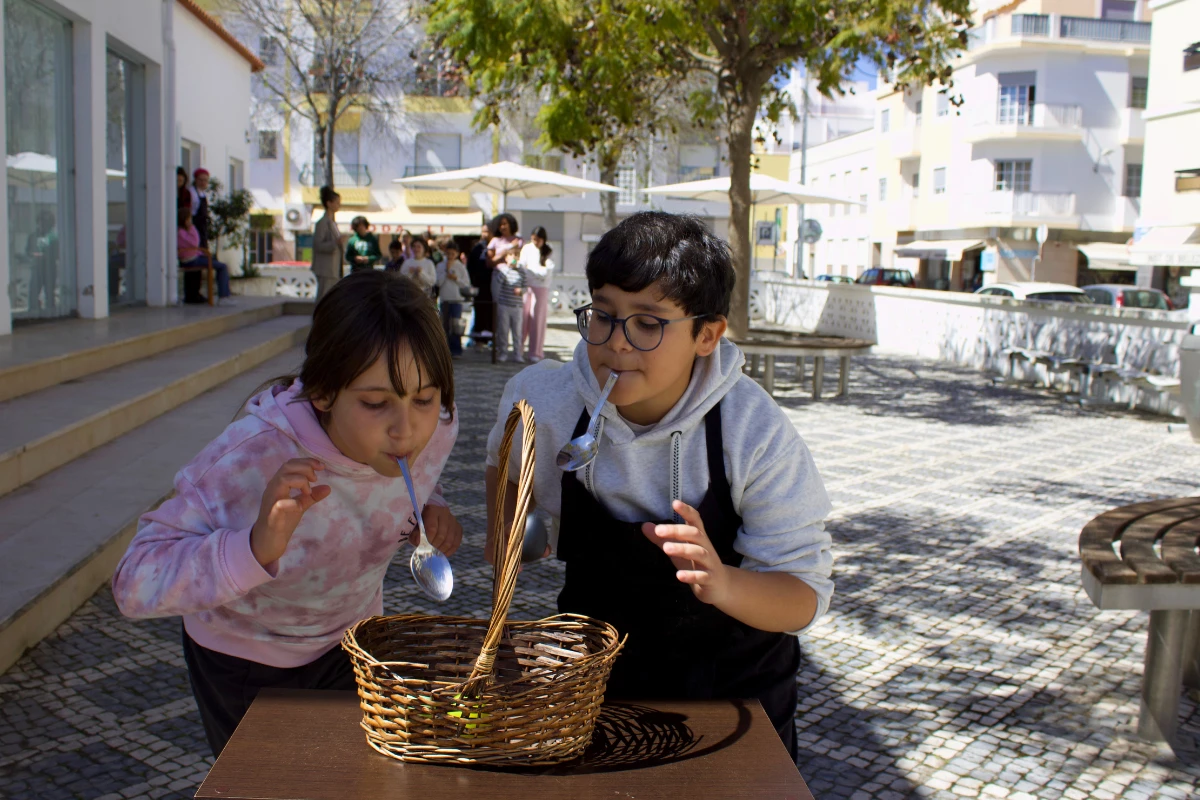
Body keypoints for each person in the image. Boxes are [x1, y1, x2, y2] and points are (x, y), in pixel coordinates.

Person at [484, 212, 833, 760]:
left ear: (707, 335)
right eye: (603, 314)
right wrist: (509, 530)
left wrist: (721, 583)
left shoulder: (752, 431)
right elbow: (502, 467)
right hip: (594, 687)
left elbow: (803, 597)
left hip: (735, 694)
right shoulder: (542, 402)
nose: (614, 343)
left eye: (648, 323)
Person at [112, 271, 464, 758]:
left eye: (423, 399)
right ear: (321, 392)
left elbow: (420, 468)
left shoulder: (438, 426)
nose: (406, 430)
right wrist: (254, 546)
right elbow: (133, 582)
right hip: (245, 659)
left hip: (352, 642)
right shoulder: (250, 457)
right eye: (375, 403)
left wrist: (429, 506)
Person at [178, 206, 234, 305]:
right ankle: (223, 296)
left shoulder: (183, 231)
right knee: (222, 267)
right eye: (190, 218)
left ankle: (223, 295)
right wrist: (192, 227)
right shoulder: (181, 232)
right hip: (191, 260)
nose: (191, 221)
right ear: (185, 219)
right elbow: (195, 242)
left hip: (195, 256)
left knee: (217, 263)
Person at [518, 226, 555, 363]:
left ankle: (535, 351)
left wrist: (532, 270)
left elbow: (547, 273)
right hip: (527, 288)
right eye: (534, 239)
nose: (536, 242)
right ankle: (518, 349)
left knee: (538, 321)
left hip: (541, 289)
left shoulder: (548, 251)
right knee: (523, 319)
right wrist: (536, 272)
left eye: (538, 240)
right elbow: (522, 268)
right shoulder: (527, 249)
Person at [435, 240, 470, 358]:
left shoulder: (460, 266)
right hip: (445, 299)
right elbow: (438, 282)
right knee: (444, 325)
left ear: (457, 254)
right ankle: (444, 350)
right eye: (448, 253)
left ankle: (456, 350)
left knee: (456, 325)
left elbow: (466, 284)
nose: (450, 256)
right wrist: (446, 271)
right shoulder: (440, 265)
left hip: (456, 299)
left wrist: (456, 278)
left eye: (452, 254)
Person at [492, 250, 526, 363]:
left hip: (517, 306)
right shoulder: (503, 270)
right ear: (506, 258)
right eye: (511, 255)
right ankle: (503, 353)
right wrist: (507, 268)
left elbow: (526, 287)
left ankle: (517, 354)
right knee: (503, 330)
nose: (514, 257)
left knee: (517, 331)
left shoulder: (522, 272)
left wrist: (521, 291)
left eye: (516, 255)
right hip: (504, 305)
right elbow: (498, 282)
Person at [311, 186, 343, 301]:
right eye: (337, 202)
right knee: (323, 297)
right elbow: (318, 245)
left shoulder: (332, 222)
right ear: (329, 203)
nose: (339, 205)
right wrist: (335, 243)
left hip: (333, 269)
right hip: (326, 269)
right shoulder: (322, 223)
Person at [467, 223, 495, 347]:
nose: (484, 234)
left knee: (492, 314)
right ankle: (478, 341)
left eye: (487, 231)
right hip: (479, 286)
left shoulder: (496, 246)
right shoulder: (477, 248)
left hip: (493, 286)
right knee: (479, 313)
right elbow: (470, 266)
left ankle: (491, 340)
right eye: (483, 231)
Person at [188, 168, 212, 247]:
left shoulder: (202, 193)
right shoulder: (191, 193)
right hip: (194, 226)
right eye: (200, 180)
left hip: (202, 227)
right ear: (196, 180)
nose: (203, 182)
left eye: (205, 180)